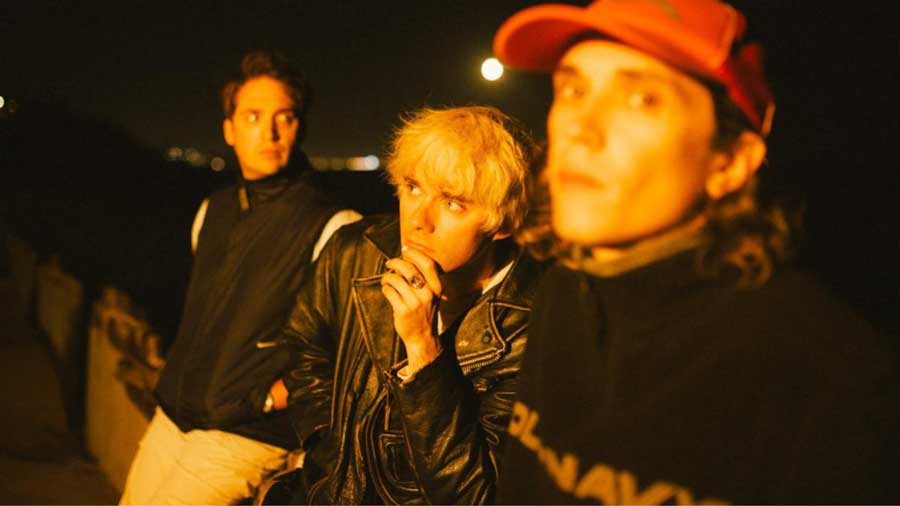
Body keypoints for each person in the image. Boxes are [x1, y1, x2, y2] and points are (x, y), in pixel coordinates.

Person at [492, 0, 900, 503]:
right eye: (573, 90)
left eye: (642, 99)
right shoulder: (564, 291)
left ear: (729, 162)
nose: (580, 127)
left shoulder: (832, 379)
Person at [119, 51, 361, 505]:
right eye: (253, 116)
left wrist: (270, 398)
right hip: (176, 415)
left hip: (249, 434)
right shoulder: (213, 210)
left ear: (300, 126)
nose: (270, 132)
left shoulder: (333, 225)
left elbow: (352, 349)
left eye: (284, 117)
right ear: (229, 129)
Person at [270, 106, 544, 504]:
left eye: (453, 203)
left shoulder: (532, 324)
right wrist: (330, 447)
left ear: (503, 223)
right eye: (413, 187)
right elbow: (304, 347)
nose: (418, 220)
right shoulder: (353, 251)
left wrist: (424, 352)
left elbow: (476, 496)